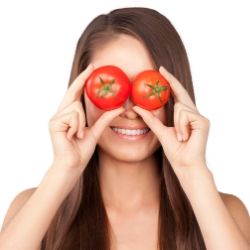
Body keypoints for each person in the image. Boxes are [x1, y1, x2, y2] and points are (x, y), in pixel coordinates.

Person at [0, 7, 249, 250]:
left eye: (149, 86)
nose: (130, 110)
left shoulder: (225, 212)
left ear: (175, 97)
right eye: (108, 86)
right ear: (79, 97)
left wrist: (193, 172)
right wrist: (64, 168)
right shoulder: (33, 210)